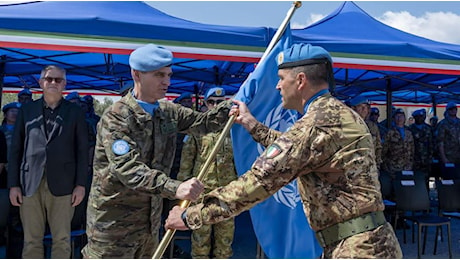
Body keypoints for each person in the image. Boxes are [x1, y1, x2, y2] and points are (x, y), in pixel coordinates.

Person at [165, 43, 402, 259]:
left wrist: (190, 216)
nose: (277, 85)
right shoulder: (337, 114)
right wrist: (252, 125)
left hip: (356, 249)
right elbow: (299, 150)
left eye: (280, 78)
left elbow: (258, 181)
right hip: (364, 243)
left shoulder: (316, 123)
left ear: (300, 81)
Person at [82, 43, 233, 258]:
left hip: (149, 225)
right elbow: (128, 169)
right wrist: (175, 187)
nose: (167, 82)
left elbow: (205, 122)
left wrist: (237, 102)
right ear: (136, 74)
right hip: (113, 226)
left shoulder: (168, 111)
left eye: (169, 75)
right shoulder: (116, 117)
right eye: (159, 75)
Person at [8, 65, 89, 258]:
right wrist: (13, 185)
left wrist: (80, 185)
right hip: (30, 184)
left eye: (58, 80)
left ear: (65, 85)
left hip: (64, 185)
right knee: (31, 240)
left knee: (61, 239)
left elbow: (82, 151)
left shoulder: (75, 113)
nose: (53, 83)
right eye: (49, 79)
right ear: (41, 82)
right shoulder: (27, 111)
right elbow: (16, 150)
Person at [177, 87, 237, 259]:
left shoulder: (232, 128)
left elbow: (239, 161)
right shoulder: (198, 128)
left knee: (225, 241)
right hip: (201, 193)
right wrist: (181, 192)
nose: (216, 106)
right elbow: (186, 162)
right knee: (200, 240)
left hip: (227, 193)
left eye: (220, 102)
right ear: (205, 104)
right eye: (212, 102)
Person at [348, 96, 383, 169]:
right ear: (353, 108)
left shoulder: (373, 126)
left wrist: (377, 165)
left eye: (366, 107)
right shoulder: (348, 126)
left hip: (370, 168)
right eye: (360, 106)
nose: (364, 109)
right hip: (353, 169)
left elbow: (378, 146)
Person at [381, 108, 414, 179]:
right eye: (397, 116)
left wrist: (411, 163)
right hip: (393, 167)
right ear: (394, 118)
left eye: (401, 116)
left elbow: (412, 150)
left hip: (406, 167)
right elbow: (383, 150)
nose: (399, 118)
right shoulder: (389, 133)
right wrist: (385, 165)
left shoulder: (408, 133)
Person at [408, 109, 433, 184]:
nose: (420, 118)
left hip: (426, 159)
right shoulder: (410, 129)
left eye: (422, 116)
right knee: (415, 178)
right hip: (415, 159)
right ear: (415, 118)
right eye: (418, 117)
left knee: (426, 179)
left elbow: (431, 143)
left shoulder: (428, 128)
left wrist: (431, 157)